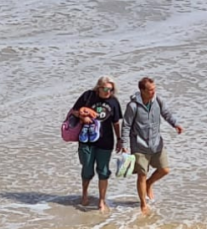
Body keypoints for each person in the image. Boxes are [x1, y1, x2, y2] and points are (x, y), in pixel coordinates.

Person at [120, 75, 183, 208]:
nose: (153, 92)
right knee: (142, 175)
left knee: (164, 169)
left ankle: (149, 183)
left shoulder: (157, 100)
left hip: (156, 143)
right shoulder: (133, 106)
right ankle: (143, 204)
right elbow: (126, 126)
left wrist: (175, 124)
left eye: (154, 89)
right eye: (150, 90)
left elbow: (166, 114)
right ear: (142, 91)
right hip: (139, 145)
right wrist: (124, 145)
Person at [68, 76, 124, 211]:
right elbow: (74, 111)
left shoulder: (114, 102)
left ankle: (102, 201)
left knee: (103, 171)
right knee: (87, 167)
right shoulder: (88, 96)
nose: (108, 92)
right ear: (99, 88)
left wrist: (119, 139)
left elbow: (116, 122)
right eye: (105, 89)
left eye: (111, 89)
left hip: (106, 141)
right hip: (86, 139)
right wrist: (83, 116)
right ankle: (84, 194)